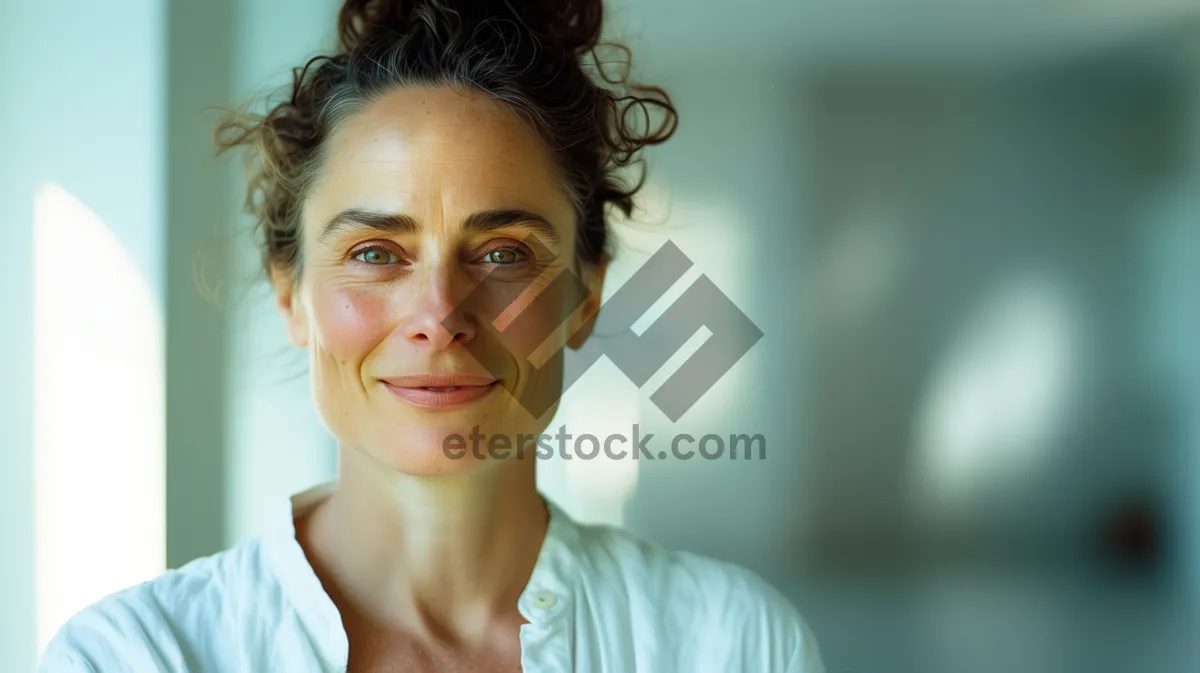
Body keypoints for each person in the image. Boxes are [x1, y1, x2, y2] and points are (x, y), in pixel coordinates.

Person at [39, 0, 825, 671]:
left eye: (504, 253)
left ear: (586, 293)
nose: (442, 313)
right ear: (293, 294)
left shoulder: (729, 643)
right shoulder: (133, 654)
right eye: (376, 253)